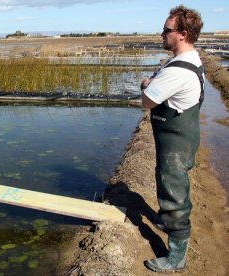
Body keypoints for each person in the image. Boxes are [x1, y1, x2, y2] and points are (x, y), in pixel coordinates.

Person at [140, 5, 204, 273]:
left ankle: (176, 256)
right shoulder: (186, 60)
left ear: (182, 34)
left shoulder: (177, 70)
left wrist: (146, 84)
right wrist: (155, 82)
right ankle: (167, 222)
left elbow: (148, 101)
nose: (161, 33)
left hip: (175, 144)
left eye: (166, 30)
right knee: (169, 183)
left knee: (174, 193)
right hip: (179, 138)